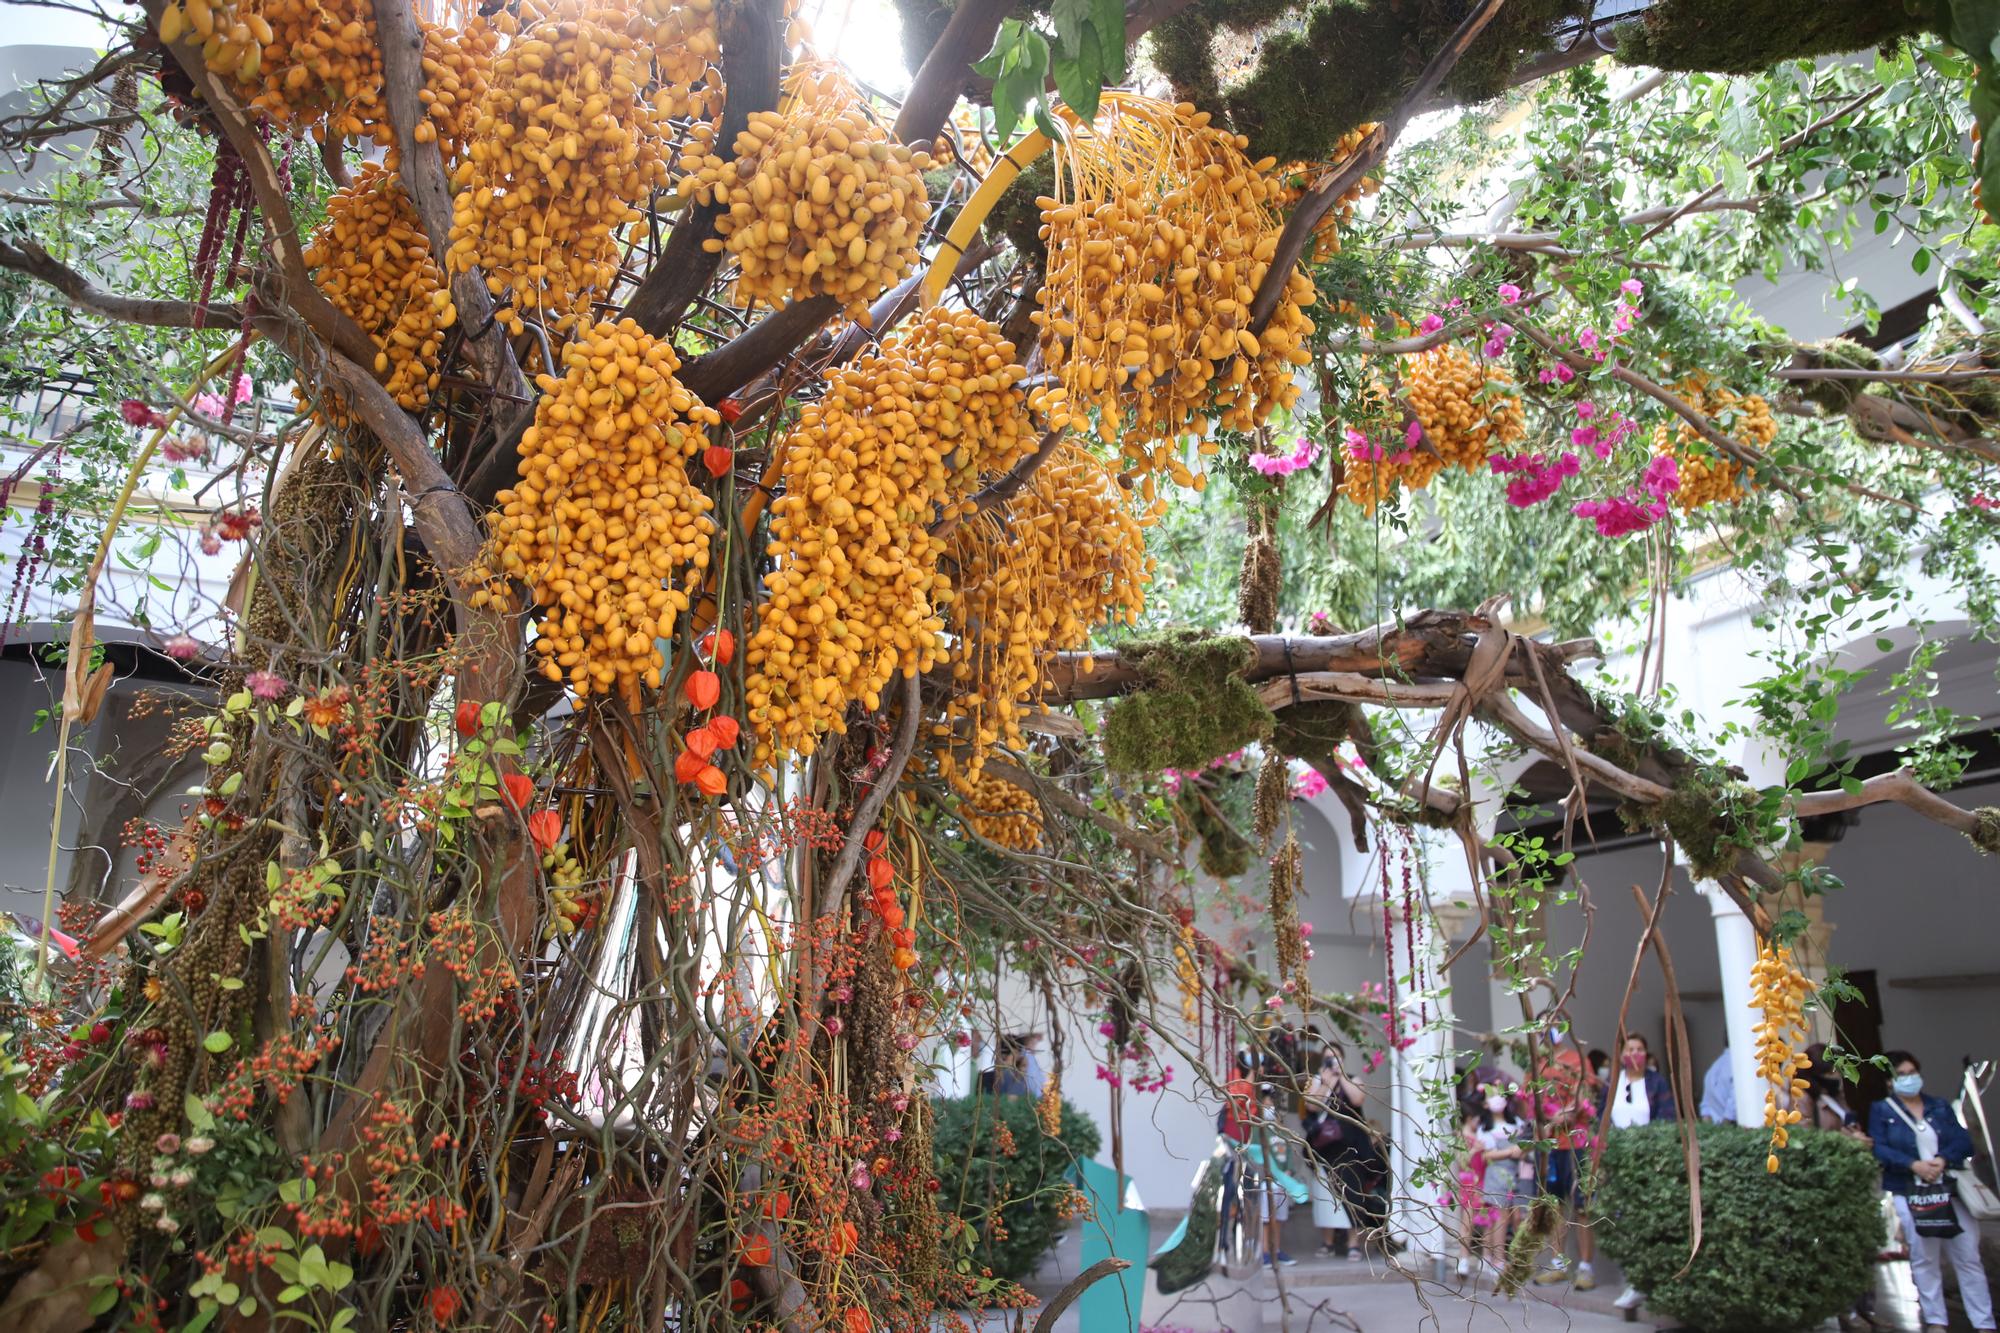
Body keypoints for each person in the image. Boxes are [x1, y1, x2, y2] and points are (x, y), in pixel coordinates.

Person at [1869, 1051, 1995, 1333]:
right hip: (1910, 1190)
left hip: (1949, 1189)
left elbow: (1964, 1141)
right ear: (1890, 1080)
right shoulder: (1882, 1110)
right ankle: (1936, 1320)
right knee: (1924, 1256)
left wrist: (1942, 1159)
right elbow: (1880, 1148)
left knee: (1967, 1255)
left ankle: (1983, 1321)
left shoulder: (1938, 1106)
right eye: (1902, 1074)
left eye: (1912, 1071)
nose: (1910, 1078)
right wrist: (1913, 1164)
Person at [1604, 1035, 1674, 1312]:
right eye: (1629, 1049)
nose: (1634, 1053)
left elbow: (1666, 1119)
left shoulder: (1657, 1083)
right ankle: (1632, 1280)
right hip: (1619, 1159)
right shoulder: (1613, 1084)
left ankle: (1650, 1281)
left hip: (1649, 1158)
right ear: (1621, 1054)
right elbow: (1602, 1118)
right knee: (1623, 1222)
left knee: (1649, 1219)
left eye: (1640, 1049)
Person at [1531, 1031, 1601, 1291]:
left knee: (1583, 1205)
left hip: (1577, 1141)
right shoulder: (1536, 1063)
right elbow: (1530, 1101)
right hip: (1549, 1144)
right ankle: (1558, 1264)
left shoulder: (1576, 1059)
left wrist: (1569, 1111)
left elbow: (1586, 1093)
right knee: (1554, 1205)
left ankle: (1586, 1267)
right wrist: (1548, 1119)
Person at [1468, 1084, 1531, 1280]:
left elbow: (1527, 1142)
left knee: (1515, 1216)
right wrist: (1511, 1152)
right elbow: (1487, 1156)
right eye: (1493, 1096)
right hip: (1497, 1175)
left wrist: (1522, 1150)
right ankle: (1498, 1258)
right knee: (1499, 1217)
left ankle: (1510, 1258)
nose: (1498, 1099)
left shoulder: (1518, 1123)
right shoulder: (1485, 1129)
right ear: (1485, 1104)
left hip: (1519, 1173)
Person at [1303, 1048, 1359, 1259]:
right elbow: (1311, 1105)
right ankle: (1327, 1242)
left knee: (1351, 1194)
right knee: (1325, 1196)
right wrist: (1324, 1082)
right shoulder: (1317, 1081)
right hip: (1322, 1148)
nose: (1332, 1061)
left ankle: (1353, 1242)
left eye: (1336, 1057)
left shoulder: (1352, 1079)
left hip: (1348, 1147)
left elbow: (1357, 1099)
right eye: (1328, 1057)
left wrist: (1341, 1076)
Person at [1254, 1083, 1300, 1267]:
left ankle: (1276, 1249)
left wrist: (1288, 1170)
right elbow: (1256, 1153)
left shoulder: (1281, 1129)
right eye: (1265, 1104)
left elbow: (1288, 1152)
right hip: (1267, 1182)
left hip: (1282, 1181)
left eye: (1271, 1103)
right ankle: (1265, 1251)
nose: (1269, 1107)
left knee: (1279, 1218)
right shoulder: (1257, 1130)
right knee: (1266, 1218)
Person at [1699, 1045, 1735, 1123]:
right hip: (1735, 1129)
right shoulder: (1739, 1065)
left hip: (1720, 1129)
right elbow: (1733, 1107)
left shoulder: (1715, 1067)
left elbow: (1706, 1111)